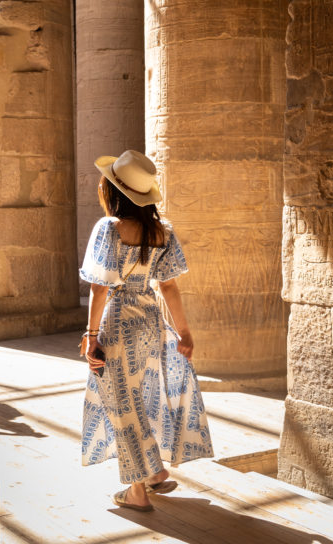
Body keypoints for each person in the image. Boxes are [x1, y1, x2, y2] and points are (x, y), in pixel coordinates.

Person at [79, 150, 214, 512]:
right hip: (151, 321)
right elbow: (168, 286)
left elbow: (100, 287)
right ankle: (154, 473)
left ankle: (136, 491)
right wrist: (184, 333)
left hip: (119, 321)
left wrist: (91, 337)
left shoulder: (109, 228)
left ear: (114, 191)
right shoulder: (161, 230)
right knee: (143, 396)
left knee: (122, 401)